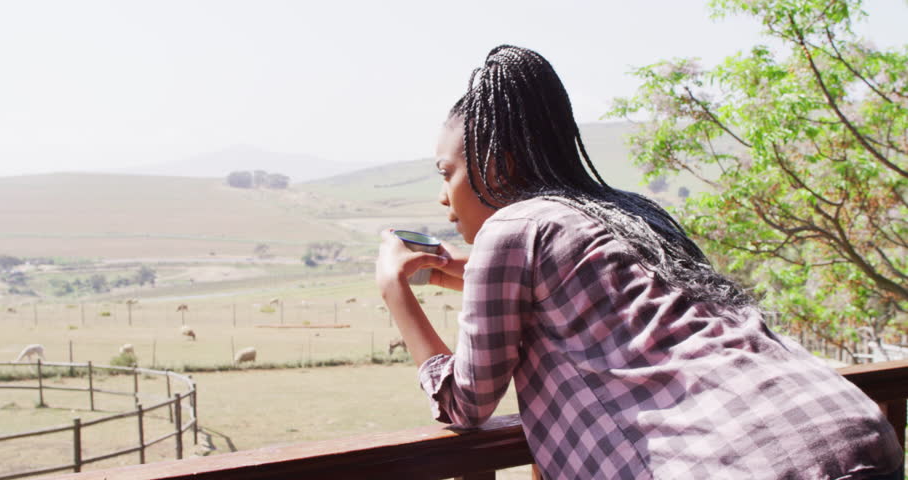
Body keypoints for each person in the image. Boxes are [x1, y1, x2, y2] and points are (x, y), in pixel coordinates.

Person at [375, 45, 903, 480]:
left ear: (500, 163)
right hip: (851, 429)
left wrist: (394, 288)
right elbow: (619, 298)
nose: (444, 198)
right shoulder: (634, 210)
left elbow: (466, 405)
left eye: (446, 174)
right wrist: (475, 277)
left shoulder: (510, 228)